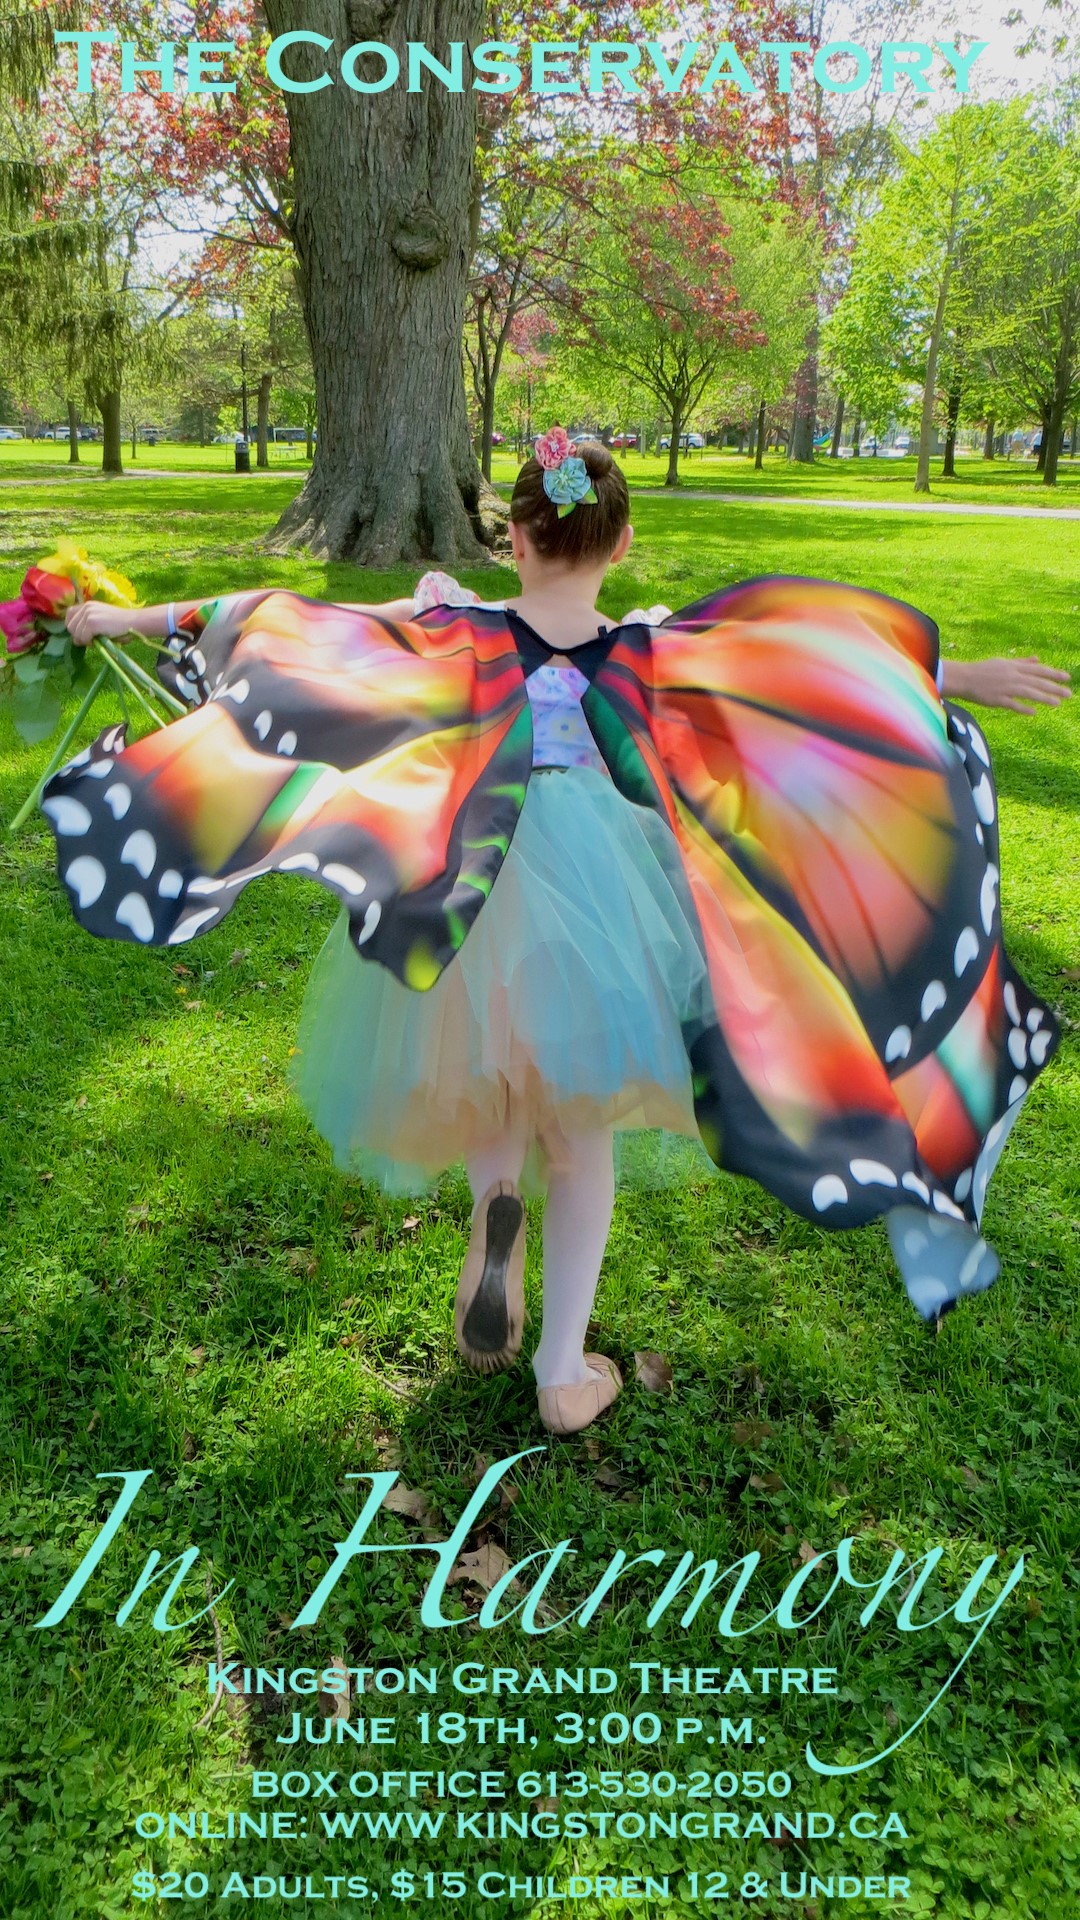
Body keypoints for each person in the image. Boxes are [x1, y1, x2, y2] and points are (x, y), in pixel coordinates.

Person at [56, 433, 1067, 1435]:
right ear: (619, 546)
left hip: (471, 883)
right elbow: (807, 676)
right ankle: (560, 1368)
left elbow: (286, 622)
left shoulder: (451, 618)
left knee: (492, 1076)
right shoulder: (652, 646)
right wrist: (959, 675)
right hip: (604, 895)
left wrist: (115, 616)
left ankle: (494, 1216)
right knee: (582, 1138)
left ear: (516, 539)